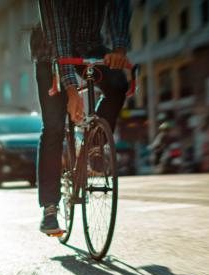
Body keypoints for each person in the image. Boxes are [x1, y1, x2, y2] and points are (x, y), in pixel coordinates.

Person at [30, 0, 132, 235]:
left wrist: (119, 48)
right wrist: (71, 90)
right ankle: (50, 208)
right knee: (54, 125)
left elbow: (119, 5)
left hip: (91, 46)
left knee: (118, 86)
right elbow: (59, 35)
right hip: (50, 50)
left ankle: (92, 147)